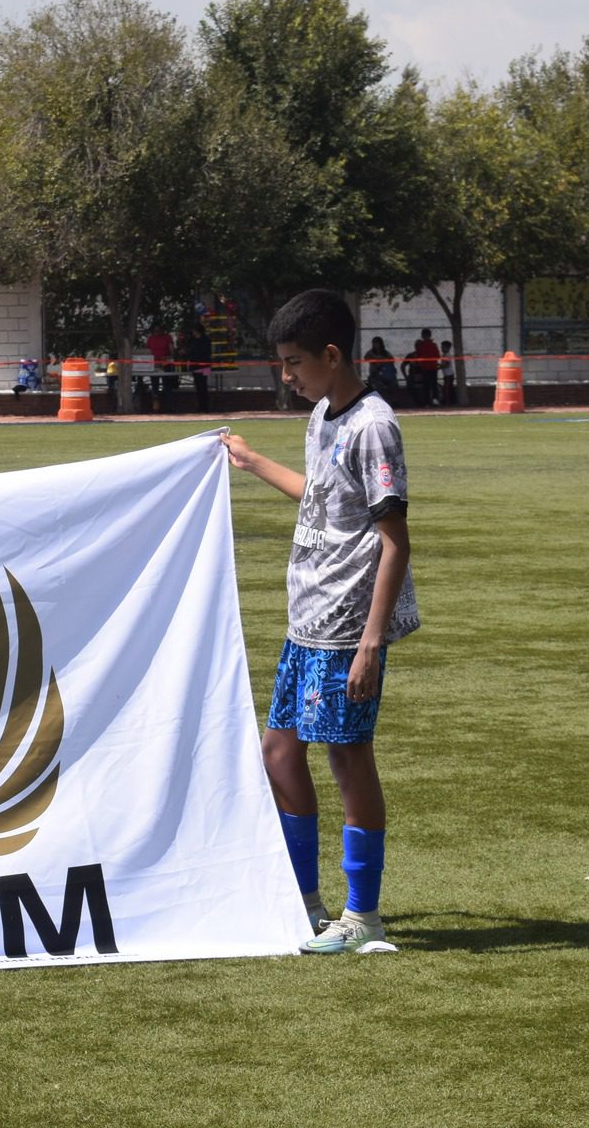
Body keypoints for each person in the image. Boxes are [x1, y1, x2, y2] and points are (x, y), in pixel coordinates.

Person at [224, 289, 418, 955]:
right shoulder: (320, 418)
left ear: (332, 355)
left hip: (345, 630)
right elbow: (320, 498)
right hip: (304, 623)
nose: (287, 375)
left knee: (346, 756)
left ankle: (363, 915)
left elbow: (395, 538)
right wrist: (251, 464)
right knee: (280, 751)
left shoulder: (373, 425)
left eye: (295, 362)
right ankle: (303, 901)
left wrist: (371, 641)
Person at [182, 318, 214, 412]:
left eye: (194, 330)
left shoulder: (203, 340)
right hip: (199, 366)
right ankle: (202, 407)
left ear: (197, 331)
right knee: (200, 387)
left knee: (202, 386)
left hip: (202, 366)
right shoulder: (194, 340)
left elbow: (202, 352)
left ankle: (204, 407)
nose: (193, 332)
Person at [408, 329, 442, 408]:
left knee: (427, 385)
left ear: (422, 336)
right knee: (433, 384)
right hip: (433, 367)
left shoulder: (421, 346)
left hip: (425, 368)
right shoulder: (433, 345)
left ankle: (427, 403)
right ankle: (435, 400)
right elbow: (437, 356)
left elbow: (418, 357)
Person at [146, 324, 176, 413]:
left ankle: (170, 408)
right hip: (154, 365)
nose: (157, 333)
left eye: (159, 331)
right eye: (155, 331)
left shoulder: (167, 337)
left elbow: (171, 350)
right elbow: (147, 351)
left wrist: (170, 359)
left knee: (167, 387)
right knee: (154, 387)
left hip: (165, 364)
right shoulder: (150, 338)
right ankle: (156, 408)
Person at [363, 335, 398, 401]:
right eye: (374, 343)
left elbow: (392, 360)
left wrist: (384, 360)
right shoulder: (370, 353)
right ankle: (383, 401)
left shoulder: (386, 353)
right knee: (379, 386)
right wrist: (375, 360)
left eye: (377, 343)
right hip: (375, 375)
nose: (376, 345)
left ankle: (394, 401)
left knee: (394, 384)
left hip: (386, 375)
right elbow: (366, 358)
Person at [439, 339, 457, 406]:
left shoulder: (447, 355)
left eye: (443, 347)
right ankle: (451, 401)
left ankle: (448, 403)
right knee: (449, 388)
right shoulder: (444, 355)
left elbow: (446, 365)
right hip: (446, 375)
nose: (441, 348)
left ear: (447, 348)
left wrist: (438, 367)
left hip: (449, 375)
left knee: (447, 389)